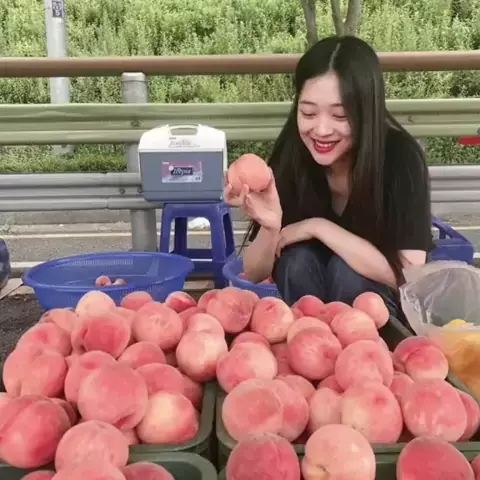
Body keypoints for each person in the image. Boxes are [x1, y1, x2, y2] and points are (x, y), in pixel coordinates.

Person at [224, 35, 433, 320]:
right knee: (296, 261)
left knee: (348, 273)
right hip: (309, 334)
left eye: (340, 116)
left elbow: (409, 274)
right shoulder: (294, 154)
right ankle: (308, 336)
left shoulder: (400, 159)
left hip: (378, 321)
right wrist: (271, 227)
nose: (321, 130)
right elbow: (254, 272)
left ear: (366, 112)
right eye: (308, 113)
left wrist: (318, 227)